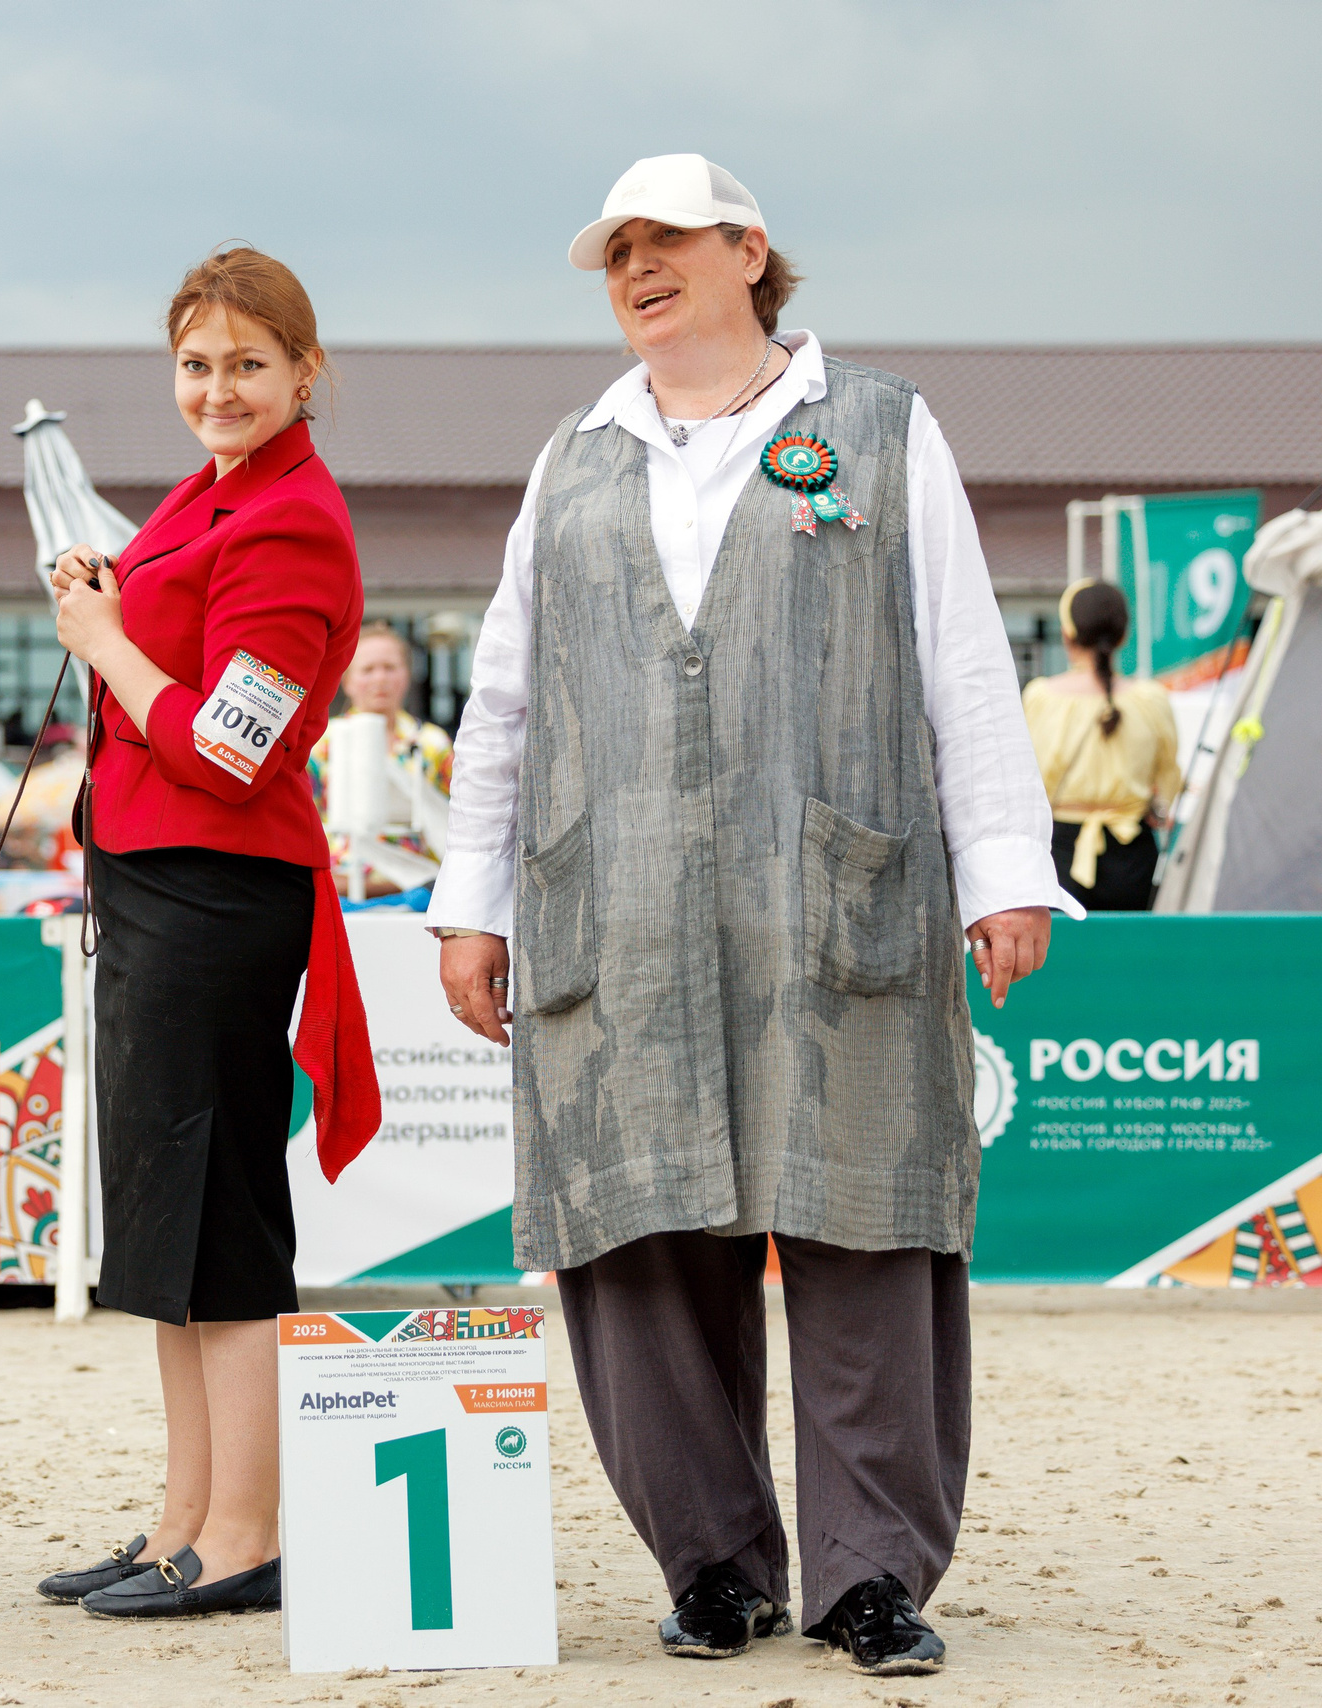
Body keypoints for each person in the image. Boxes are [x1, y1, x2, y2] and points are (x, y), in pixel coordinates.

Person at [429, 155, 1080, 1677]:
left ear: (749, 252)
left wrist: (1000, 868)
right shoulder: (569, 460)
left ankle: (871, 1576)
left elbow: (964, 663)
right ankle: (712, 1562)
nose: (639, 271)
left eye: (667, 243)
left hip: (834, 896)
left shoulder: (885, 428)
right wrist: (470, 904)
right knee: (642, 1232)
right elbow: (504, 704)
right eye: (616, 255)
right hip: (623, 906)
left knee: (863, 1223)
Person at [35, 246, 378, 1622]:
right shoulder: (206, 496)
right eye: (196, 364)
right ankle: (184, 1520)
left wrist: (103, 638)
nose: (218, 387)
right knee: (168, 1229)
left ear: (305, 373)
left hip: (218, 891)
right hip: (153, 884)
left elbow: (236, 749)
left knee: (221, 1218)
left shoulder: (293, 520)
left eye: (247, 363)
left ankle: (242, 1536)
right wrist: (109, 602)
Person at [1026, 581, 1183, 911]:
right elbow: (1168, 778)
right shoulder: (1150, 699)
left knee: (1060, 958)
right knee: (1130, 957)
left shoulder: (1041, 697)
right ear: (1123, 636)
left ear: (1068, 635)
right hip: (1131, 851)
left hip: (1058, 852)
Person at [307, 622, 453, 884]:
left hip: (420, 883)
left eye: (389, 668)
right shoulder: (321, 744)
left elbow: (451, 821)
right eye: (368, 669)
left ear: (407, 674)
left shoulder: (434, 744)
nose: (380, 679)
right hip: (340, 880)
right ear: (346, 679)